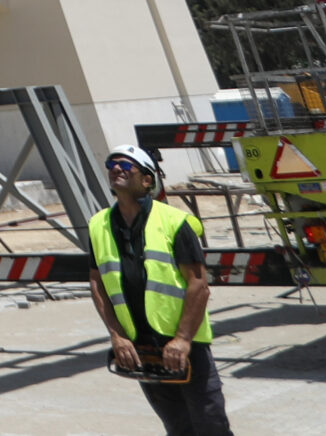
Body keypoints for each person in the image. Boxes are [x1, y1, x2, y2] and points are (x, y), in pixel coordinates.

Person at [92, 144, 232, 436]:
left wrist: (181, 339)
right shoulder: (99, 225)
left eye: (127, 165)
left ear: (146, 180)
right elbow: (98, 283)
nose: (117, 168)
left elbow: (199, 285)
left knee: (211, 424)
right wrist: (117, 335)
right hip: (141, 346)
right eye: (112, 163)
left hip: (184, 346)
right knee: (177, 427)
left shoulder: (174, 223)